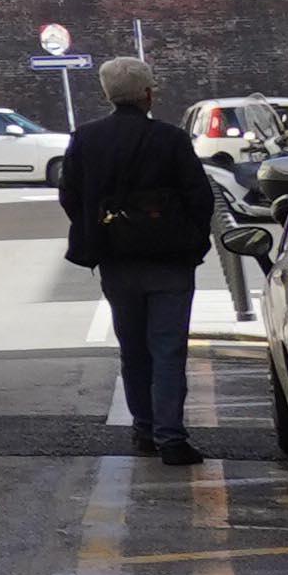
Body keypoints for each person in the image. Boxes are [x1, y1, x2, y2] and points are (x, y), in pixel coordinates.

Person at [53, 54, 215, 461]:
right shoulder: (170, 139)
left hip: (116, 259)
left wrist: (100, 229)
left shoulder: (86, 138)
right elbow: (199, 195)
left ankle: (143, 430)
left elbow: (69, 195)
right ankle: (171, 438)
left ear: (108, 94)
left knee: (133, 347)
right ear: (147, 94)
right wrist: (191, 238)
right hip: (169, 260)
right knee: (168, 348)